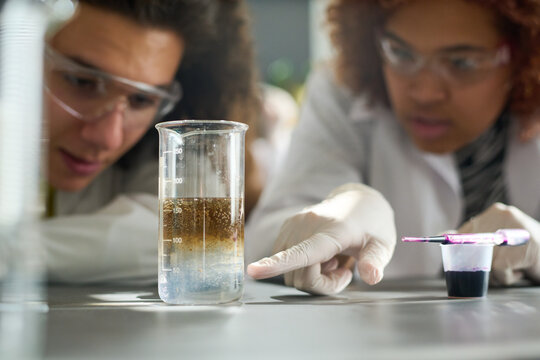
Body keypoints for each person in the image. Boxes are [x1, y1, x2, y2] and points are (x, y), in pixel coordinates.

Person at [246, 0, 540, 295]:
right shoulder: (344, 91)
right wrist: (341, 214)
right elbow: (258, 245)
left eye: (461, 62)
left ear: (523, 55)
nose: (425, 93)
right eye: (401, 53)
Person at [43, 0, 262, 283]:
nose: (108, 138)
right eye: (81, 81)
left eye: (141, 99)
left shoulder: (156, 149)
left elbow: (198, 236)